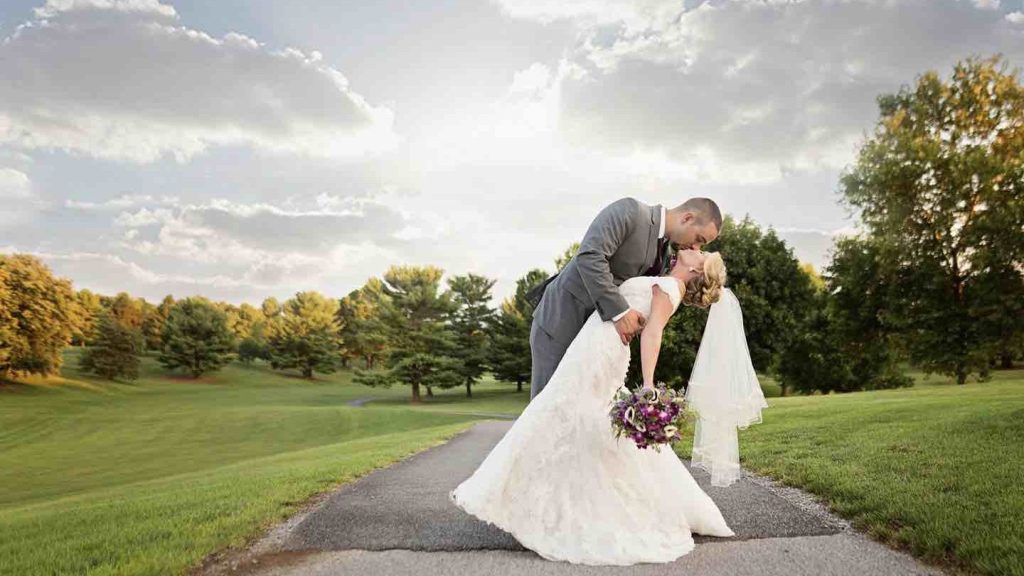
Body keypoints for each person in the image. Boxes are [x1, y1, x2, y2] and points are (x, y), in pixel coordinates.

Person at [450, 249, 768, 565]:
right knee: (572, 416)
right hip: (596, 346)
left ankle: (524, 497)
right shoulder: (667, 282)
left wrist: (647, 384)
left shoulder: (670, 288)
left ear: (698, 269)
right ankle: (531, 495)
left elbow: (653, 333)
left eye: (700, 252)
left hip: (598, 353)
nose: (692, 249)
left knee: (560, 411)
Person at [526, 196, 722, 400]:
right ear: (688, 218)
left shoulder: (666, 256)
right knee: (547, 407)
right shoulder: (631, 212)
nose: (696, 247)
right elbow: (590, 256)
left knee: (577, 415)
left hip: (595, 340)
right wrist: (620, 313)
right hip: (561, 323)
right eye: (699, 239)